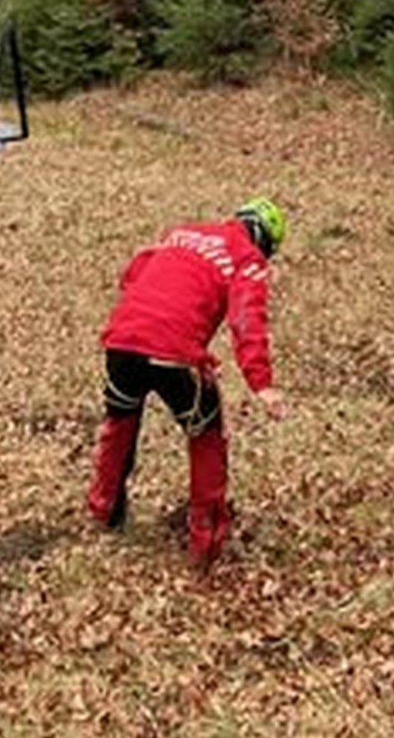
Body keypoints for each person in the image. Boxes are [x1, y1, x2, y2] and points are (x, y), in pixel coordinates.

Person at [87, 197, 289, 565]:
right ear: (264, 240)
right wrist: (261, 383)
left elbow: (133, 273)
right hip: (174, 353)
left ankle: (103, 511)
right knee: (207, 436)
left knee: (120, 423)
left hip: (121, 341)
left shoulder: (183, 232)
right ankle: (205, 543)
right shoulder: (248, 259)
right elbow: (247, 319)